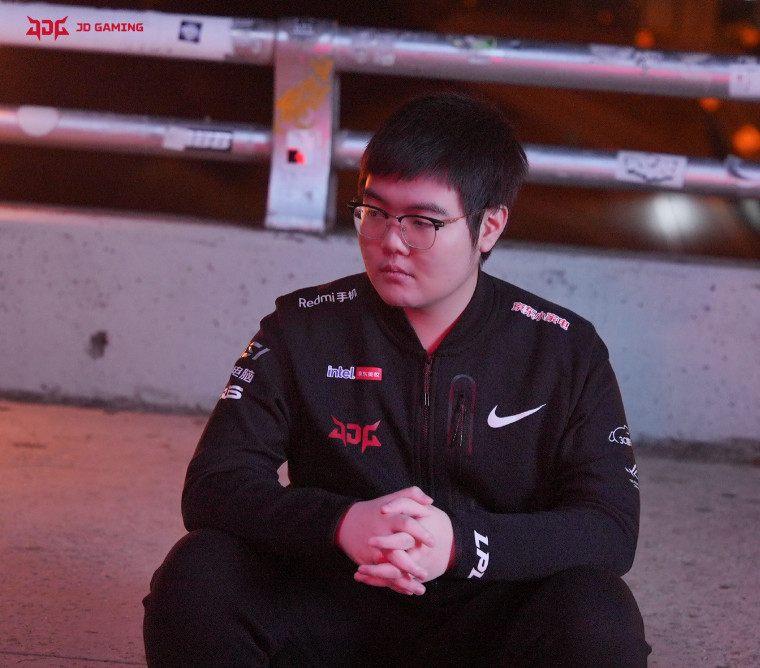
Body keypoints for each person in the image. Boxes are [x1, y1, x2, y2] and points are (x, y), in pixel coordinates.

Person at [143, 91, 650, 667]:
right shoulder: (302, 329)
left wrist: (459, 544)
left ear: (489, 227)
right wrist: (341, 524)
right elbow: (215, 484)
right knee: (198, 575)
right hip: (333, 603)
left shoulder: (562, 349)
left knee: (598, 612)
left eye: (422, 223)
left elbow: (608, 527)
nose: (390, 241)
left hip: (489, 615)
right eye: (375, 212)